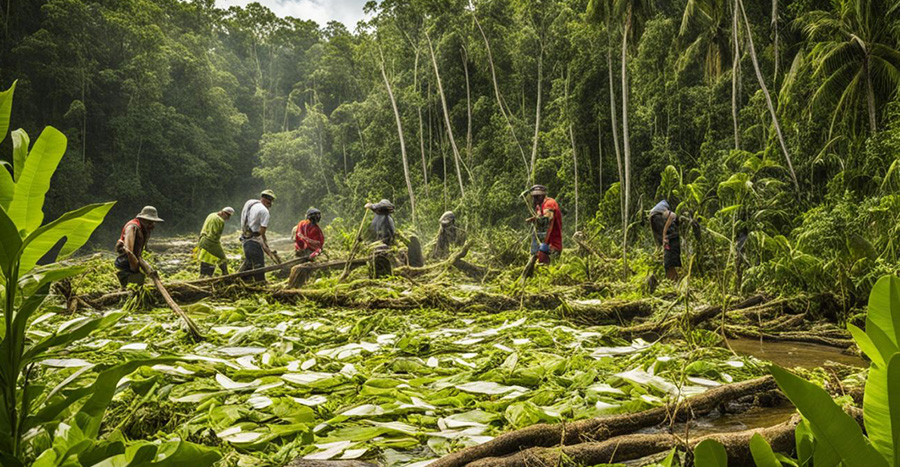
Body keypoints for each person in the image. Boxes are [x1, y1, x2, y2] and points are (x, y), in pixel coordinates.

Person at [115, 206, 163, 289]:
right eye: (151, 222)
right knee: (137, 282)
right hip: (126, 263)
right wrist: (135, 269)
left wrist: (150, 271)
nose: (153, 225)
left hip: (134, 260)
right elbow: (129, 251)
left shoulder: (142, 229)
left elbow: (138, 255)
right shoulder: (132, 227)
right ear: (144, 220)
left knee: (141, 279)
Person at [239, 190, 276, 282]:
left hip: (245, 239)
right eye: (269, 201)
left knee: (249, 262)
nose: (270, 204)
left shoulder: (250, 203)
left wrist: (265, 244)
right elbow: (262, 231)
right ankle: (261, 283)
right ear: (265, 199)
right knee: (259, 264)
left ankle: (240, 280)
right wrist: (265, 246)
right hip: (253, 241)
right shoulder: (265, 212)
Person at [526, 185, 562, 264]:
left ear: (543, 195)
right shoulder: (539, 206)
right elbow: (539, 217)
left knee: (549, 268)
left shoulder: (550, 203)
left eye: (537, 197)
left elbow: (546, 221)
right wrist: (533, 219)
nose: (535, 199)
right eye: (534, 197)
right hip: (543, 243)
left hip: (552, 244)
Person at [197, 207, 234, 277]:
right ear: (223, 212)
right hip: (211, 242)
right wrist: (217, 245)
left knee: (206, 259)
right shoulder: (220, 221)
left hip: (202, 241)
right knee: (222, 258)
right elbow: (216, 235)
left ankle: (202, 276)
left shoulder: (211, 215)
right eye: (228, 215)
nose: (228, 218)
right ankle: (225, 274)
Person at [649, 199, 681, 281]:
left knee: (668, 264)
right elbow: (670, 217)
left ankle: (672, 280)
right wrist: (664, 234)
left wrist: (660, 241)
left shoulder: (660, 207)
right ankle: (673, 280)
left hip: (652, 217)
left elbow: (655, 230)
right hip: (657, 218)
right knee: (669, 263)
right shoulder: (670, 213)